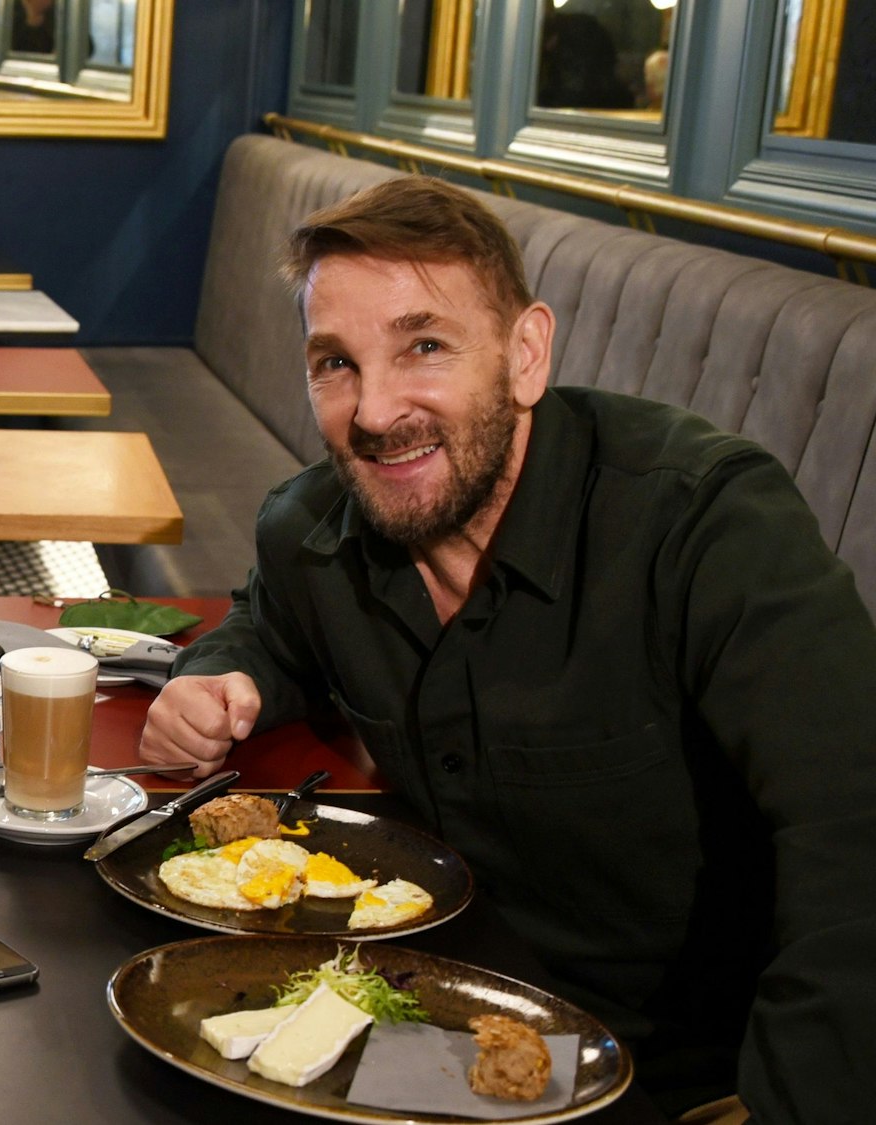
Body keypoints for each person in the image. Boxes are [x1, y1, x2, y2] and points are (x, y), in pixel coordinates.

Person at [139, 175, 876, 1121]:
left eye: (426, 347)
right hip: (419, 1027)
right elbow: (266, 626)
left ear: (527, 354)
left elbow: (856, 843)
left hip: (682, 1074)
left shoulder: (707, 525)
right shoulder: (311, 528)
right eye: (335, 363)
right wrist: (217, 677)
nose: (374, 411)